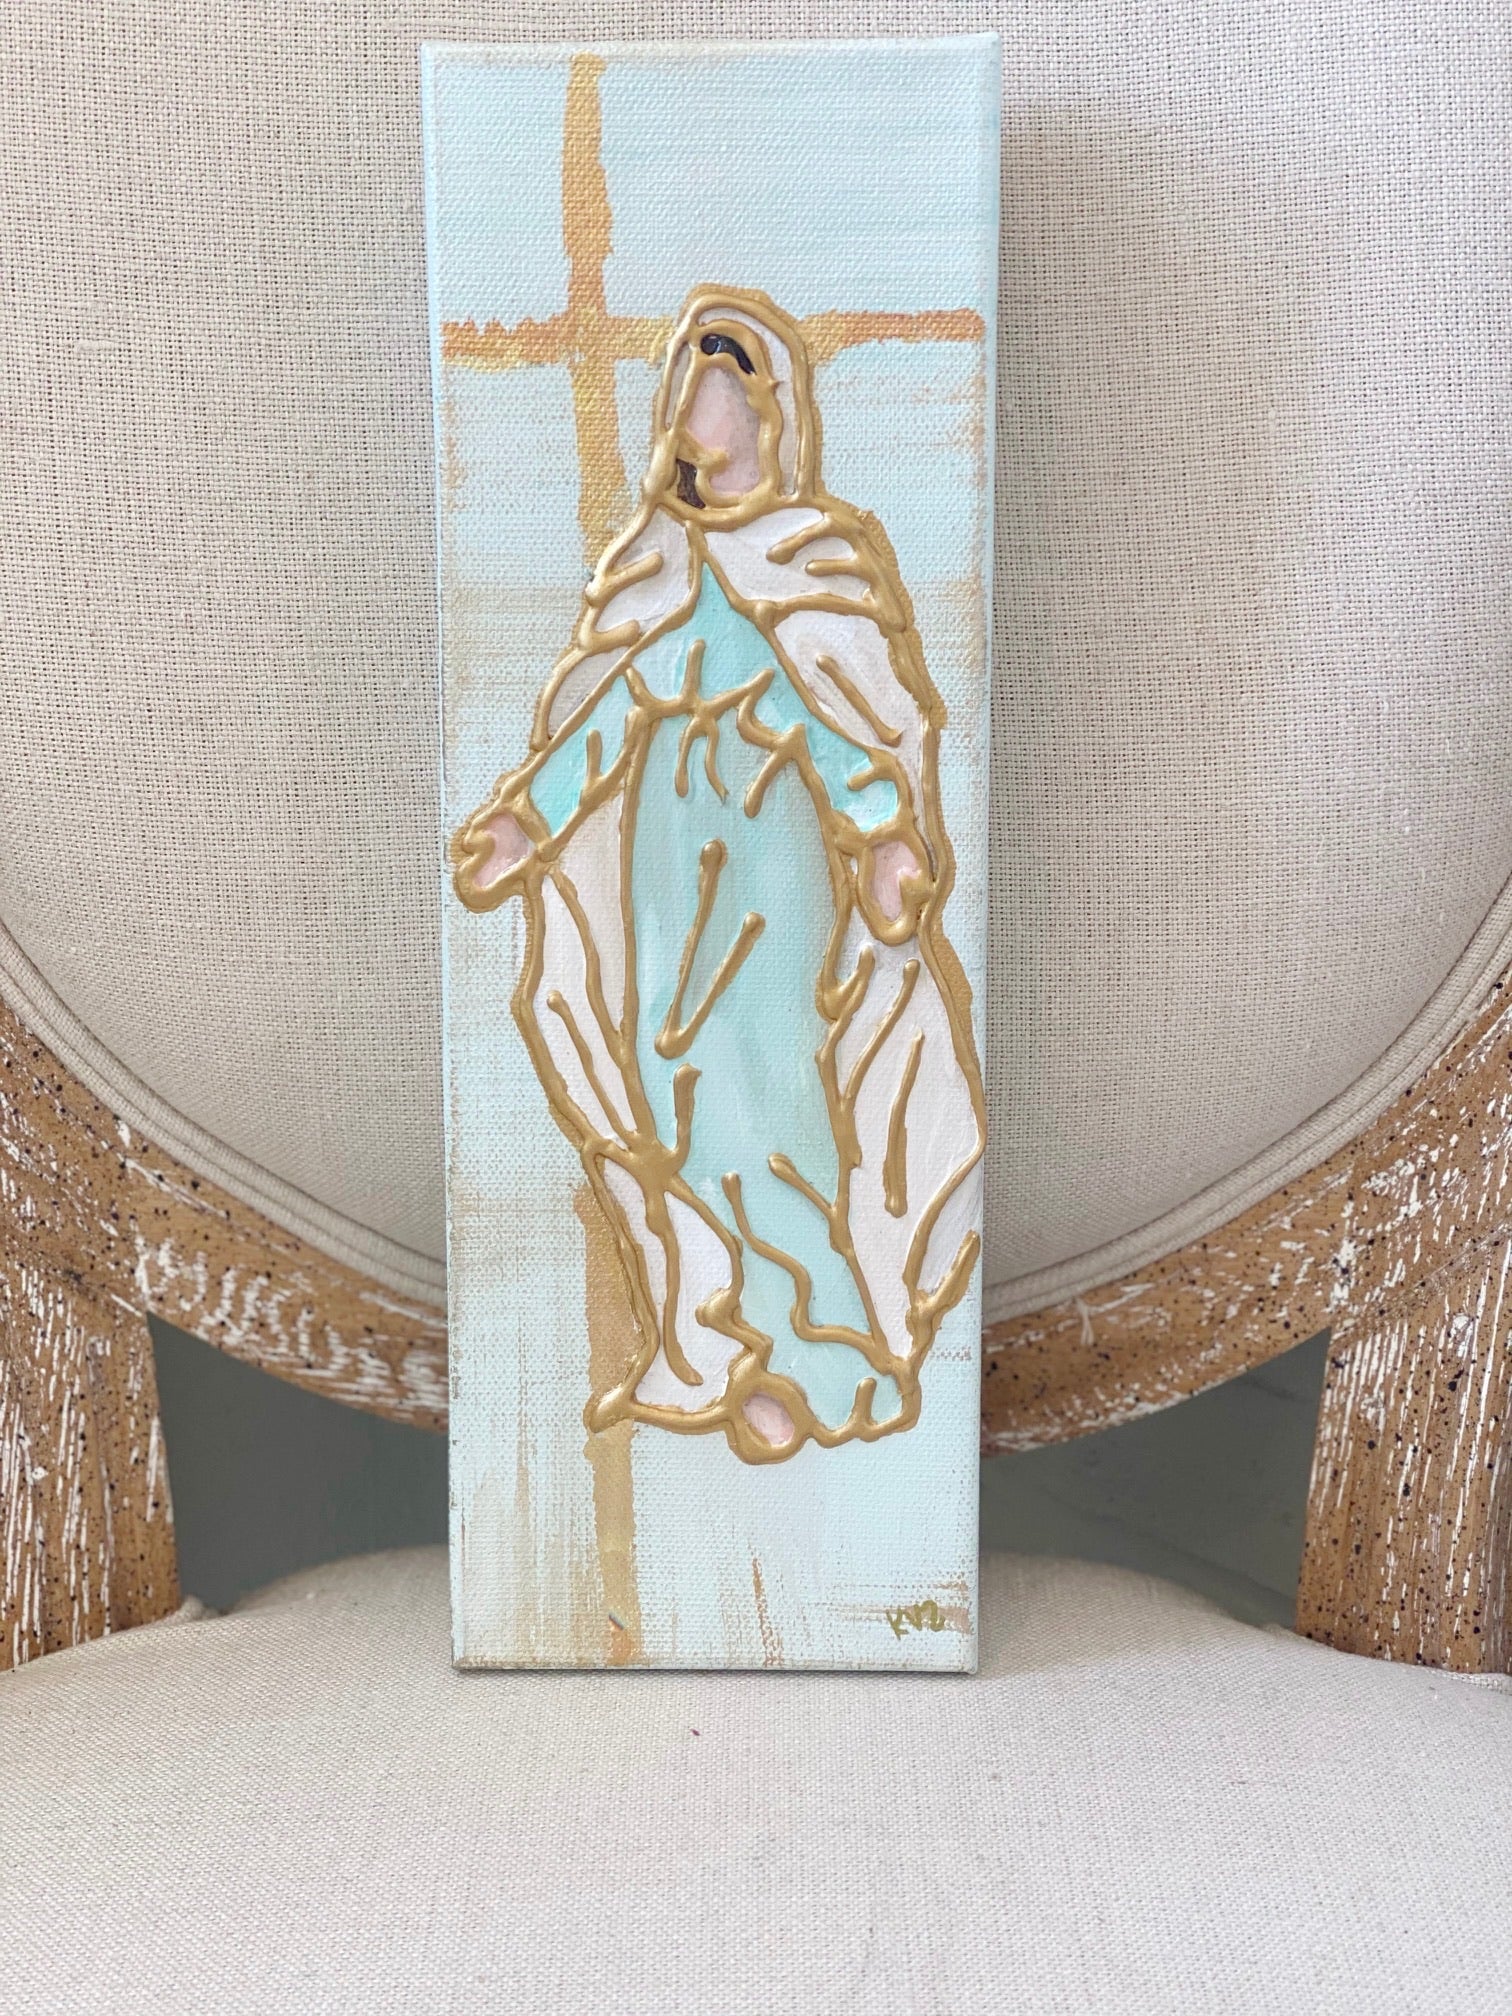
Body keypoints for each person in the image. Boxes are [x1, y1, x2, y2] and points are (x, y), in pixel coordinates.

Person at [452, 286, 985, 1464]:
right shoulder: (656, 559)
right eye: (688, 389)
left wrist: (886, 835)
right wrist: (529, 824)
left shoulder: (817, 555)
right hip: (663, 855)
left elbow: (841, 720)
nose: (701, 412)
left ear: (764, 406)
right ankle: (726, 1346)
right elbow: (618, 702)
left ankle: (828, 1360)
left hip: (766, 856)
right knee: (672, 1098)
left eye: (720, 389)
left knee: (770, 1100)